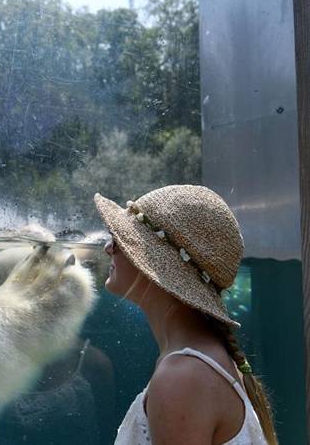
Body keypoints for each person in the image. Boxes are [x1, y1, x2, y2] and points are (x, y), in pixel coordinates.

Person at [93, 185, 278, 445]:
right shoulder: (194, 363)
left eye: (123, 240)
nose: (109, 247)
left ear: (155, 263)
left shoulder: (183, 376)